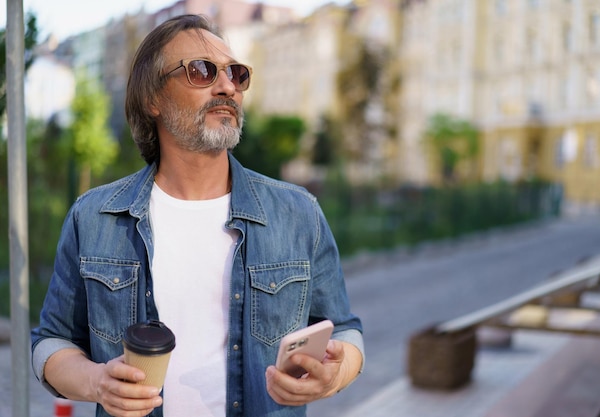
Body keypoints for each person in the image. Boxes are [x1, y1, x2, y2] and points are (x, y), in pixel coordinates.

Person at [31, 14, 364, 417]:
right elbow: (51, 342)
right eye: (202, 71)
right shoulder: (95, 217)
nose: (227, 87)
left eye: (236, 74)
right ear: (152, 99)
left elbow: (345, 331)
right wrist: (97, 382)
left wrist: (336, 372)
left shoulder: (298, 213)